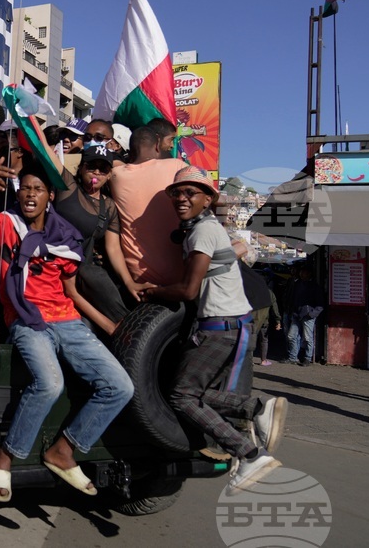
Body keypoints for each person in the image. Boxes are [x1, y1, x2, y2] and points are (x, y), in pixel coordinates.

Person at [0, 161, 134, 502]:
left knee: (121, 386)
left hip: (68, 322)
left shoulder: (65, 238)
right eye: (25, 188)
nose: (30, 194)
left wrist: (110, 327)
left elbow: (71, 292)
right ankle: (6, 456)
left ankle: (64, 449)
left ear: (50, 196)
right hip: (28, 322)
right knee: (50, 383)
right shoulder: (6, 224)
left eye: (38, 189)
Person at [138, 166, 288, 493]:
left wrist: (152, 290)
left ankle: (249, 454)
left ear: (207, 199)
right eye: (177, 192)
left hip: (219, 326)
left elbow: (189, 290)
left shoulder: (202, 232)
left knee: (181, 396)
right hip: (233, 324)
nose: (181, 198)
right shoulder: (205, 229)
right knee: (196, 393)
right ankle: (256, 408)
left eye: (191, 193)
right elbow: (226, 258)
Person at [50, 143, 133, 324]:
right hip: (53, 269)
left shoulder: (109, 206)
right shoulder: (68, 187)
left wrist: (129, 282)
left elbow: (113, 249)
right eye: (91, 166)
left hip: (82, 276)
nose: (96, 172)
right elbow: (49, 157)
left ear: (110, 174)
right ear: (81, 168)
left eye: (103, 169)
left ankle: (127, 328)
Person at [110, 125, 188, 291]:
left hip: (139, 278)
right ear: (157, 145)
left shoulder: (116, 175)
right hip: (182, 276)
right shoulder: (176, 167)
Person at [282, 266, 324, 366]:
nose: (301, 274)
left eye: (304, 272)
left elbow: (320, 304)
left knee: (308, 338)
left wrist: (312, 313)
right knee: (291, 336)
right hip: (297, 314)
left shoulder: (314, 287)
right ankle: (293, 357)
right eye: (301, 272)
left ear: (309, 274)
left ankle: (307, 358)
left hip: (307, 315)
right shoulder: (297, 284)